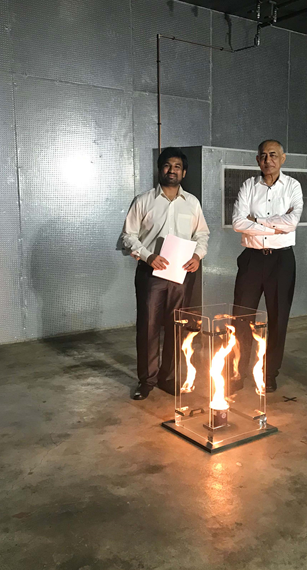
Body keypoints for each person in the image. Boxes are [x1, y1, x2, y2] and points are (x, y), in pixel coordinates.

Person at [122, 147, 210, 400]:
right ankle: (147, 380)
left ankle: (167, 377)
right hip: (151, 272)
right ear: (160, 169)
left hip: (181, 274)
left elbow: (202, 234)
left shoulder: (192, 202)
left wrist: (197, 256)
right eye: (167, 165)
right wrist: (147, 255)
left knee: (176, 327)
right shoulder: (143, 201)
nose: (172, 170)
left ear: (184, 173)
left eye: (177, 167)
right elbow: (128, 235)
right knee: (148, 327)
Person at [232, 140, 303, 392]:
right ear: (257, 160)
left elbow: (292, 222)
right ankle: (237, 372)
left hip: (281, 260)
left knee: (278, 319)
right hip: (252, 259)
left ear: (283, 158)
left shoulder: (293, 186)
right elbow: (238, 222)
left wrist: (258, 220)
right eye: (263, 155)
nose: (268, 160)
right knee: (241, 317)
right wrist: (275, 226)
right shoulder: (248, 186)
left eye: (273, 155)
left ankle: (269, 373)